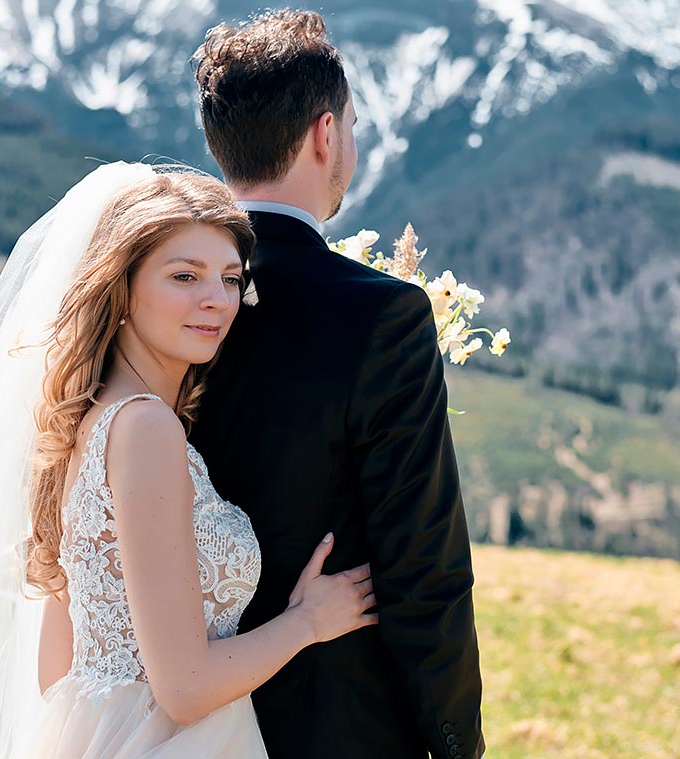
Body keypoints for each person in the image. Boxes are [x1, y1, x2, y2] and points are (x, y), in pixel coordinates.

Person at [0, 165, 378, 759]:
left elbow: (56, 670)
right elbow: (186, 690)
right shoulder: (145, 428)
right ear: (122, 288)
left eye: (229, 278)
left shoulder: (86, 423)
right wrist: (308, 623)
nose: (216, 300)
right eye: (184, 276)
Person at [190, 10, 486, 759]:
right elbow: (425, 569)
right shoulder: (384, 315)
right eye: (351, 125)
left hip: (170, 718)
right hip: (341, 728)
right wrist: (457, 741)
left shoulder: (155, 299)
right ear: (326, 135)